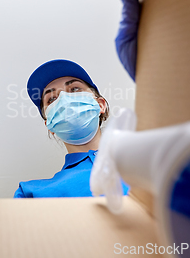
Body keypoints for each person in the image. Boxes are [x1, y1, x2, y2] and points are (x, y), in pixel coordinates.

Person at [14, 59, 130, 198]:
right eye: (51, 99)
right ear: (49, 124)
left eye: (74, 89)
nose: (63, 99)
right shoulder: (32, 193)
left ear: (100, 105)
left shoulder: (143, 159)